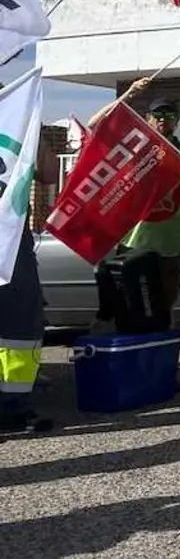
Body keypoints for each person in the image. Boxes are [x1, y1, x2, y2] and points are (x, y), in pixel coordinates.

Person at [91, 88, 180, 334]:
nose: (163, 120)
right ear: (147, 118)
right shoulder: (132, 150)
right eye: (158, 115)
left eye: (169, 115)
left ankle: (160, 354)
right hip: (134, 244)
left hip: (173, 245)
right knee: (130, 309)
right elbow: (95, 125)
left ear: (177, 121)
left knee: (163, 312)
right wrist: (129, 94)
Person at [0, 133, 59, 434]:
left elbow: (48, 174)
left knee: (20, 328)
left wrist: (35, 134)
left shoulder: (15, 127)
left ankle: (14, 407)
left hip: (12, 243)